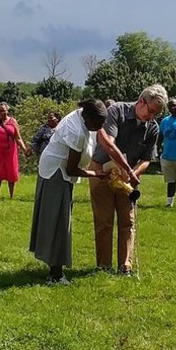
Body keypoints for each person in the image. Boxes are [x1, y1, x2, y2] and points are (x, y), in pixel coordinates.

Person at [88, 84, 168, 276]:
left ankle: (126, 266)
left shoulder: (153, 128)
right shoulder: (116, 111)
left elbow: (147, 159)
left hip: (127, 178)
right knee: (104, 221)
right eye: (151, 111)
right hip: (101, 171)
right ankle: (103, 267)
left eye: (156, 114)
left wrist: (134, 172)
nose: (152, 116)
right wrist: (126, 169)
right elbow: (109, 145)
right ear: (142, 101)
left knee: (127, 221)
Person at [30, 100, 108, 285]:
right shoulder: (77, 131)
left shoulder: (83, 117)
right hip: (56, 173)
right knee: (58, 221)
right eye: (97, 124)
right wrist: (97, 174)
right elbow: (72, 169)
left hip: (58, 170)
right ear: (87, 117)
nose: (100, 128)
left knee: (57, 219)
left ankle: (53, 269)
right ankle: (55, 275)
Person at [0, 102, 32, 198]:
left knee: (11, 172)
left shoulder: (13, 122)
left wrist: (24, 150)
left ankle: (11, 195)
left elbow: (18, 138)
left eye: (4, 110)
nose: (2, 113)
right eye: (0, 111)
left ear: (7, 111)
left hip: (11, 151)